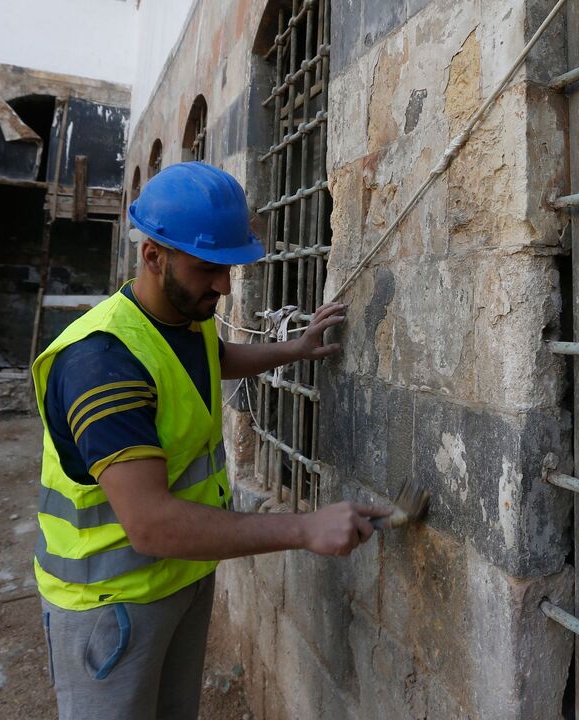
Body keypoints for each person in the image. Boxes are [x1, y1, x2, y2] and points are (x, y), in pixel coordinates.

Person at [31, 162, 389, 720]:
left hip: (181, 578)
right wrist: (304, 527)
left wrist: (293, 349)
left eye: (229, 268)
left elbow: (211, 359)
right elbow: (151, 524)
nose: (223, 285)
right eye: (208, 269)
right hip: (111, 605)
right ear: (154, 256)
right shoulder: (103, 364)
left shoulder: (178, 319)